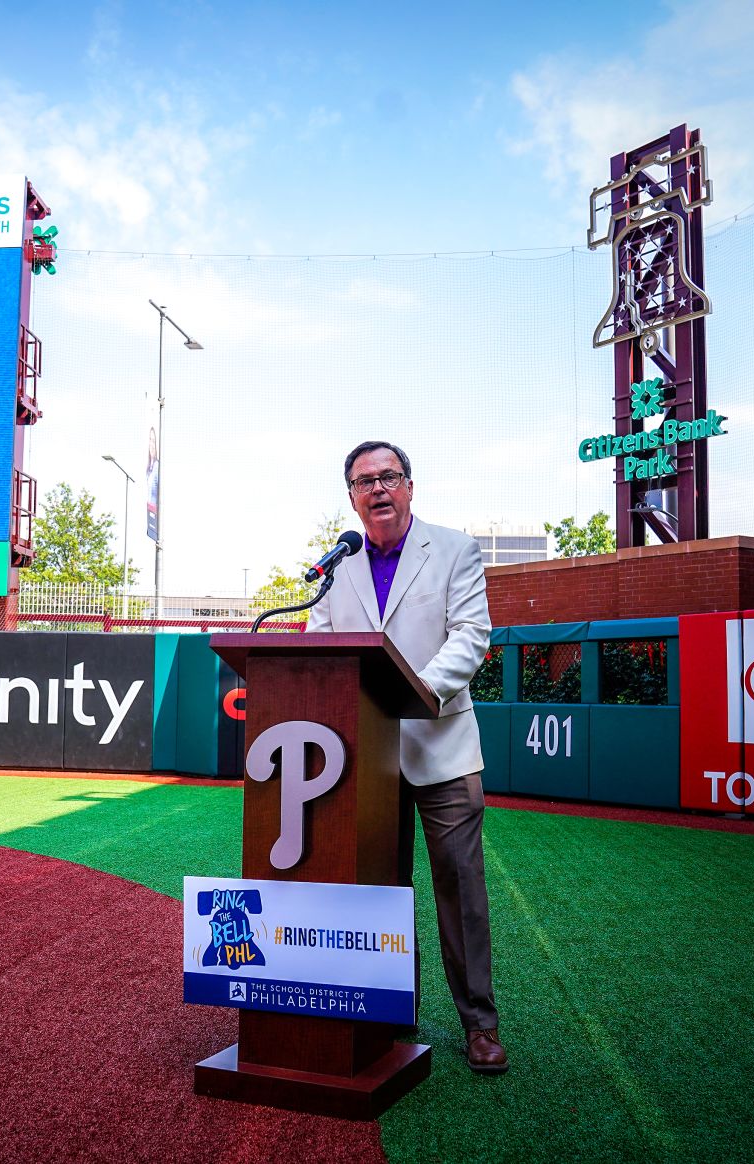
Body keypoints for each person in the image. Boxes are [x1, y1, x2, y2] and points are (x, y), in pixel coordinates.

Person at [305, 440, 507, 1074]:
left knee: (459, 888)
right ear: (352, 499)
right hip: (364, 757)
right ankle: (391, 1014)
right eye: (365, 482)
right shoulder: (338, 564)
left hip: (442, 747)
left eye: (389, 476)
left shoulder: (454, 548)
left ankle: (480, 1025)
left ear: (411, 486)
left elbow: (472, 636)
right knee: (378, 889)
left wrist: (410, 692)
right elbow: (319, 641)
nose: (378, 489)